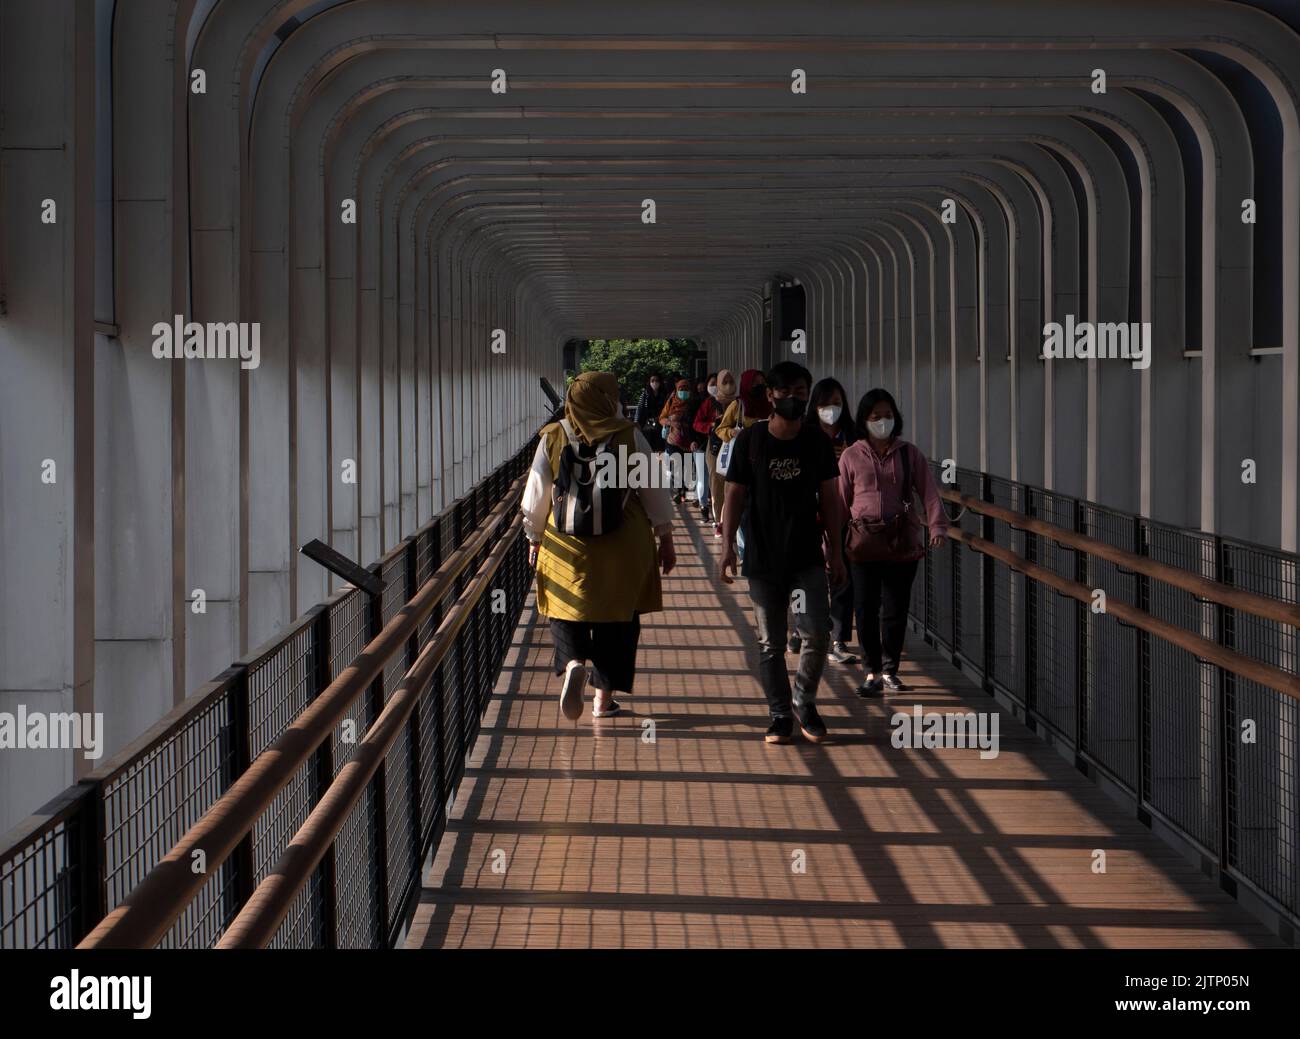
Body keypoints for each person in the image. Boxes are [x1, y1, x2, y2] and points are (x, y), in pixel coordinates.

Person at [523, 371, 677, 720]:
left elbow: (535, 497)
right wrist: (665, 538)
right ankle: (602, 700)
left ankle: (575, 661)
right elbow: (654, 492)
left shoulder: (553, 435)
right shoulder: (629, 435)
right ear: (608, 400)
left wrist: (533, 538)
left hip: (566, 541)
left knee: (564, 608)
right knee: (619, 618)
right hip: (623, 542)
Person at [719, 361, 846, 745]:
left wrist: (836, 553)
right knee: (771, 643)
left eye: (801, 392)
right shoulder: (751, 441)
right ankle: (779, 715)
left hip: (806, 555)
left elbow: (830, 497)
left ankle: (803, 701)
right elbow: (734, 495)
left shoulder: (816, 442)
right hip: (762, 558)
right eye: (786, 392)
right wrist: (727, 546)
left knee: (817, 633)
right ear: (770, 395)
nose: (794, 399)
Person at [838, 387, 948, 697]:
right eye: (875, 417)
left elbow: (928, 491)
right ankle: (872, 670)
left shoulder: (909, 453)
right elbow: (840, 502)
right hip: (862, 543)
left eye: (887, 416)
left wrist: (937, 526)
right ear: (864, 420)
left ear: (895, 418)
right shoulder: (850, 455)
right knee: (866, 607)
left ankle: (890, 670)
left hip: (901, 543)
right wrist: (830, 544)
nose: (882, 421)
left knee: (895, 610)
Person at [811, 377, 860, 666]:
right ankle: (807, 628)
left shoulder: (853, 437)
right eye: (826, 404)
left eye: (837, 404)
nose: (832, 409)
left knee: (843, 575)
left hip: (845, 516)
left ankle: (839, 639)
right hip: (809, 515)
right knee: (810, 575)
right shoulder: (804, 435)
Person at [715, 368, 770, 548]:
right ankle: (743, 547)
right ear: (746, 385)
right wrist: (732, 432)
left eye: (762, 383)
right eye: (754, 383)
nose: (759, 387)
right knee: (738, 502)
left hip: (766, 462)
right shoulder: (738, 406)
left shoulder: (771, 404)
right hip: (741, 461)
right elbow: (720, 429)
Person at [696, 368, 737, 533]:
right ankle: (719, 519)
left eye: (730, 382)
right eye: (722, 382)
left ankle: (730, 518)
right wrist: (711, 425)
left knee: (732, 484)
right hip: (714, 447)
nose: (727, 385)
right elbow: (697, 423)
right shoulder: (709, 403)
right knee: (716, 484)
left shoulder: (739, 403)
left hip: (733, 446)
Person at [658, 377, 694, 503]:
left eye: (686, 389)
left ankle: (684, 492)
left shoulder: (693, 403)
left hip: (688, 441)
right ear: (676, 389)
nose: (683, 391)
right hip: (672, 440)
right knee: (674, 466)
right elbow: (661, 418)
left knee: (686, 467)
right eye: (681, 389)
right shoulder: (671, 402)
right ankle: (676, 493)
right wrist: (671, 422)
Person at [686, 373, 717, 519]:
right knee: (703, 476)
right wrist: (692, 440)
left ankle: (714, 509)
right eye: (712, 384)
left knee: (714, 478)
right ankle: (704, 506)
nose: (715, 387)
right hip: (700, 443)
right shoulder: (699, 403)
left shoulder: (729, 403)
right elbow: (691, 424)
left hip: (718, 445)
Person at [635, 373, 670, 451]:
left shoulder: (664, 395)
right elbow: (640, 409)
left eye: (657, 380)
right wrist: (637, 423)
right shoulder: (645, 394)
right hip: (647, 426)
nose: (655, 383)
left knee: (660, 447)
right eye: (652, 381)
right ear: (649, 382)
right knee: (648, 447)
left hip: (661, 424)